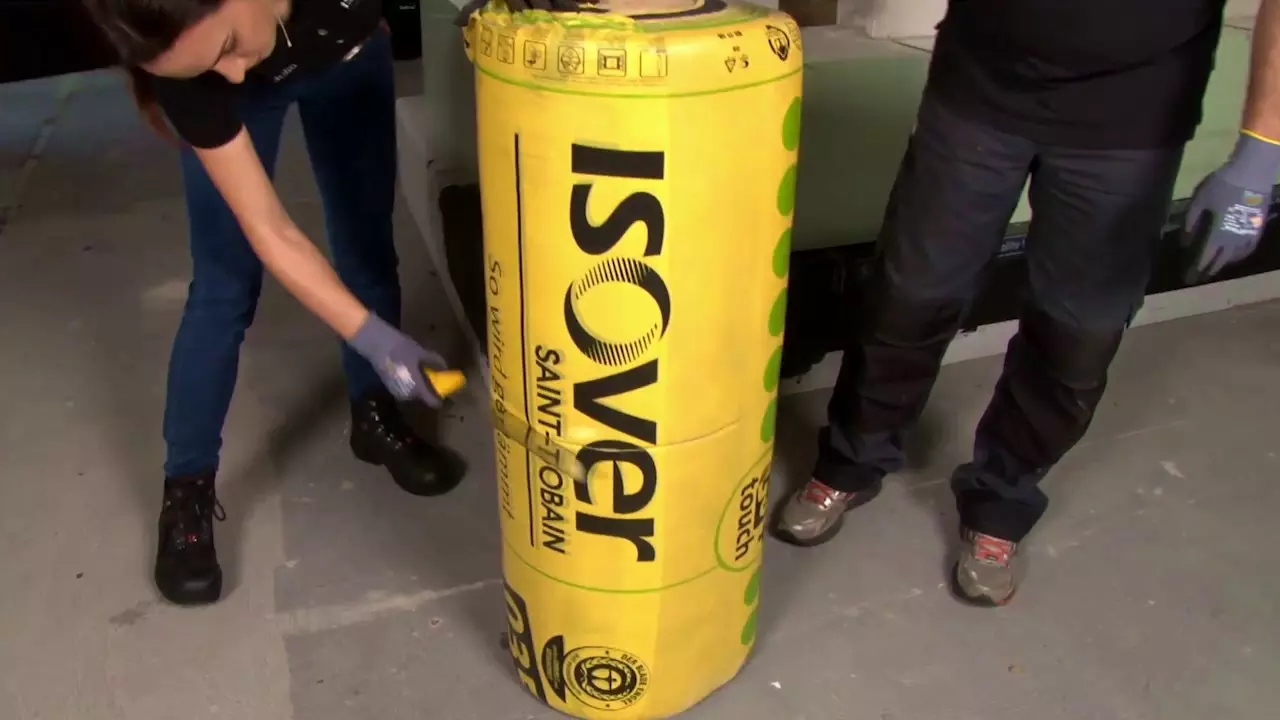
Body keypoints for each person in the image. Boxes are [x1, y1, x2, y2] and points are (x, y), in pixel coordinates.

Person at [774, 0, 1280, 606]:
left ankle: (1001, 499)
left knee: (1077, 334)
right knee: (910, 295)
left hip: (1131, 120)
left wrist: (1262, 149)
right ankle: (853, 458)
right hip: (979, 90)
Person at [80, 0, 482, 607]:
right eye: (209, 65)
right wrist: (379, 340)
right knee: (223, 284)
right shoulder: (195, 74)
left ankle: (375, 416)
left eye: (226, 47)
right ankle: (186, 488)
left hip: (345, 55)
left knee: (366, 247)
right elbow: (271, 231)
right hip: (273, 72)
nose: (234, 71)